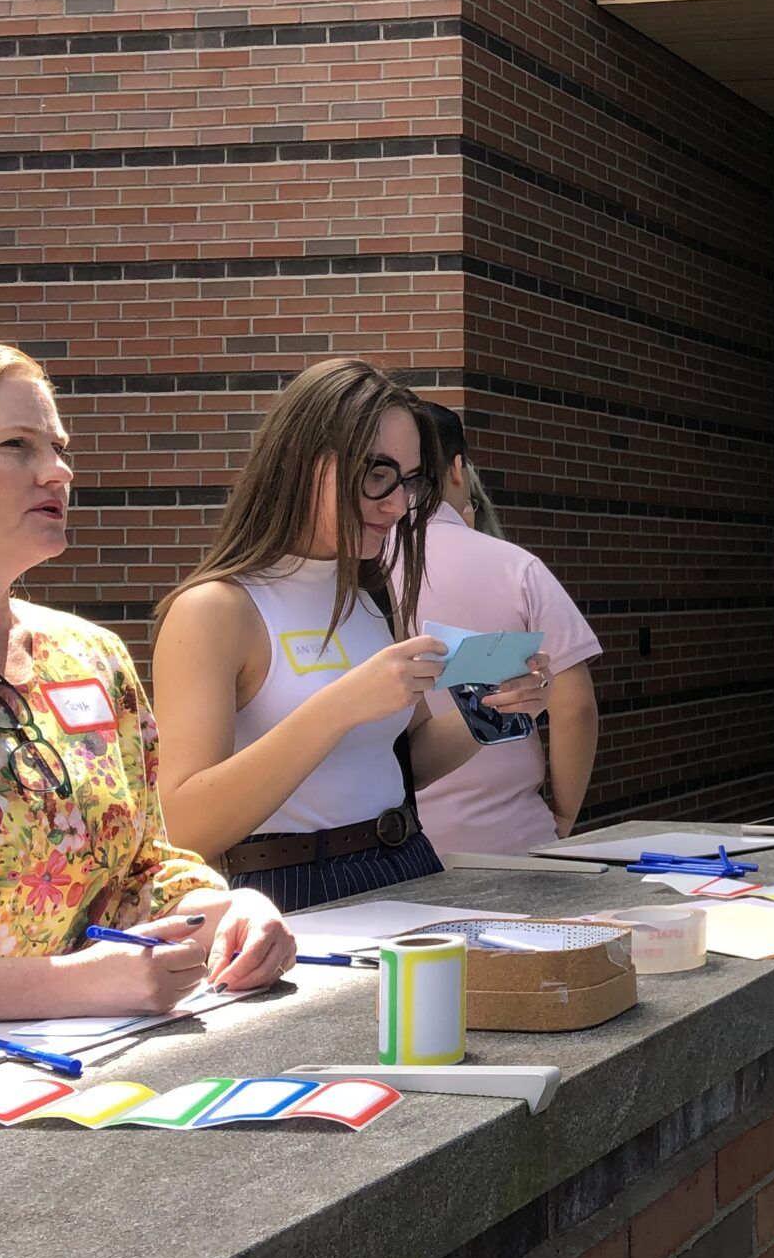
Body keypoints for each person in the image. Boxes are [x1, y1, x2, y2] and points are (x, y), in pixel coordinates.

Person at [0, 335, 295, 1021]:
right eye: (16, 446)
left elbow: (142, 869)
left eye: (59, 448)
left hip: (103, 1079)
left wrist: (223, 912)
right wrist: (84, 984)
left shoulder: (90, 655)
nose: (57, 471)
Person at [151, 360, 549, 912]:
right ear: (302, 461)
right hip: (289, 886)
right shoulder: (216, 610)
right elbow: (183, 824)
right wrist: (340, 706)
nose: (397, 503)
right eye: (376, 473)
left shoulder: (367, 595)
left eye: (411, 481)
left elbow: (404, 761)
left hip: (406, 861)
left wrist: (498, 707)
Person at [413, 401, 603, 850]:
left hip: (383, 844)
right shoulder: (515, 567)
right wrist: (563, 816)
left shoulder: (350, 575)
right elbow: (574, 705)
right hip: (509, 831)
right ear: (458, 469)